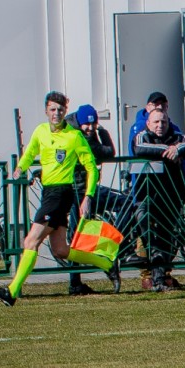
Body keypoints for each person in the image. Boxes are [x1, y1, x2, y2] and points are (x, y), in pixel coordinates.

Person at [0, 92, 99, 307]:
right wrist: (21, 167)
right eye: (53, 109)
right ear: (46, 110)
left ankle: (12, 291)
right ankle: (107, 263)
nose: (56, 113)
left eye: (60, 109)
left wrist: (88, 196)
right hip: (49, 193)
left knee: (30, 241)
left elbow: (91, 167)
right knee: (60, 249)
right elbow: (30, 152)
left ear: (66, 111)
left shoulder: (74, 136)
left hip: (60, 193)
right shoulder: (40, 131)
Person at [134, 108, 185, 291]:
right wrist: (168, 150)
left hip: (172, 197)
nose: (160, 125)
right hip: (148, 196)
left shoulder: (176, 136)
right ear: (148, 123)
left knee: (167, 238)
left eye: (163, 122)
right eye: (156, 122)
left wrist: (178, 148)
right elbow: (139, 148)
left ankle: (160, 278)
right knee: (148, 237)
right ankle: (151, 277)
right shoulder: (142, 136)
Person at [64, 103, 121, 295]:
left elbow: (108, 152)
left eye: (93, 124)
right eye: (87, 124)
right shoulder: (74, 135)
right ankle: (75, 283)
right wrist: (100, 135)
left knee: (126, 204)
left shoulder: (86, 132)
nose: (90, 128)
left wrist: (101, 131)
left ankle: (113, 251)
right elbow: (106, 151)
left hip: (88, 189)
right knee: (76, 236)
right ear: (79, 122)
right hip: (75, 191)